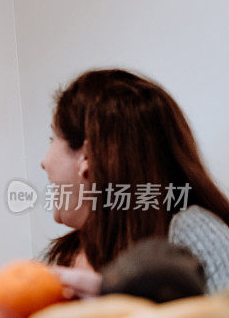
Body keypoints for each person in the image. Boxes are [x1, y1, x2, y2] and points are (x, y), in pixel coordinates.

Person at [41, 69, 229, 296]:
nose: (44, 162)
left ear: (86, 157)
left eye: (53, 139)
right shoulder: (69, 254)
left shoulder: (193, 231)